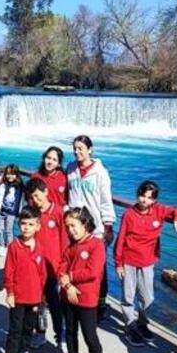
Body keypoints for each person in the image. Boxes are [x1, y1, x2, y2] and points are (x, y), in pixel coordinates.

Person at [114, 180, 177, 347]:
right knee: (128, 295)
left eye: (149, 198)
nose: (144, 200)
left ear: (154, 200)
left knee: (148, 297)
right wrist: (118, 263)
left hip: (148, 262)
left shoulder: (159, 210)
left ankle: (142, 322)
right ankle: (130, 326)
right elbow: (121, 239)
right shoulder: (129, 214)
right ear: (137, 195)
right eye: (142, 196)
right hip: (129, 260)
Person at [57, 207, 117, 353]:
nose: (70, 230)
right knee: (70, 331)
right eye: (67, 227)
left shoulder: (96, 245)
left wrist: (71, 278)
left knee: (90, 336)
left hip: (88, 298)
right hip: (68, 296)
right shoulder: (70, 247)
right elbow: (61, 269)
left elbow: (93, 271)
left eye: (73, 226)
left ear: (85, 224)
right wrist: (68, 286)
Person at [66, 135, 115, 321]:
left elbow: (105, 200)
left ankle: (99, 304)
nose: (77, 152)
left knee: (98, 269)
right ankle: (76, 299)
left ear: (89, 149)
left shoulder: (100, 172)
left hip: (95, 228)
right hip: (75, 225)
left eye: (81, 148)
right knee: (75, 263)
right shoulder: (71, 168)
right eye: (75, 149)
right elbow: (67, 193)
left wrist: (107, 225)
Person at [24, 177, 67, 353]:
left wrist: (63, 267)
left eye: (37, 195)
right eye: (32, 197)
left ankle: (61, 339)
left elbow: (64, 241)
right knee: (37, 304)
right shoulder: (32, 214)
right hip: (35, 268)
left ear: (46, 192)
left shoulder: (58, 213)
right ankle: (40, 333)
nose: (35, 199)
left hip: (53, 268)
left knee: (55, 305)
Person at [2, 207, 46, 353]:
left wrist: (41, 295)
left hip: (34, 297)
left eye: (30, 224)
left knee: (29, 327)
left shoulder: (40, 248)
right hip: (18, 297)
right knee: (15, 329)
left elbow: (42, 274)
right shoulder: (14, 246)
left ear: (37, 226)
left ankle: (24, 352)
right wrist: (10, 292)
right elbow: (9, 272)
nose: (26, 228)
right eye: (23, 224)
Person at [0, 164, 23, 251]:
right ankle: (1, 246)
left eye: (12, 174)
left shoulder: (20, 186)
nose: (10, 176)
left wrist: (20, 212)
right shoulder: (3, 185)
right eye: (8, 173)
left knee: (8, 231)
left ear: (17, 175)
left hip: (12, 213)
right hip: (2, 211)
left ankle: (9, 249)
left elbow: (23, 198)